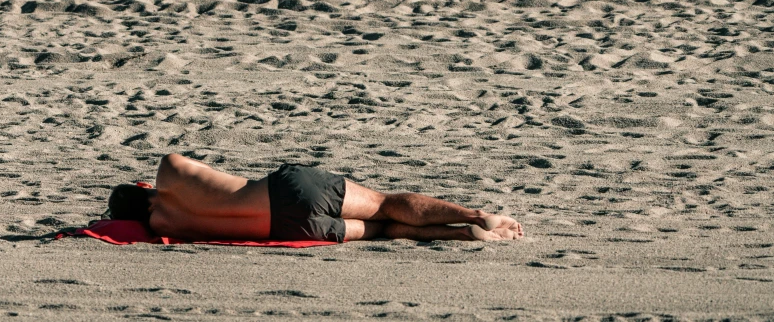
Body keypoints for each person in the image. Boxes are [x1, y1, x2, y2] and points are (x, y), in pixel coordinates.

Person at [108, 153, 523, 243]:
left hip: (289, 229)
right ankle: (475, 214)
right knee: (383, 201)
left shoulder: (163, 226)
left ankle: (465, 235)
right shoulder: (167, 171)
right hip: (284, 191)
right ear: (144, 189)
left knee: (380, 230)